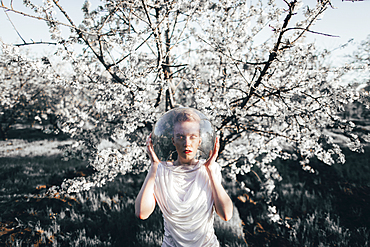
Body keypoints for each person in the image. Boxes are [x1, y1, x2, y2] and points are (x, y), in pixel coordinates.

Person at [135, 109, 233, 246]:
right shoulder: (161, 171)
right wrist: (154, 168)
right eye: (180, 136)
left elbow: (226, 215)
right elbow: (141, 213)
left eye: (192, 136)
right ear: (173, 140)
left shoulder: (210, 169)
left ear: (200, 140)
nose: (187, 143)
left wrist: (210, 170)